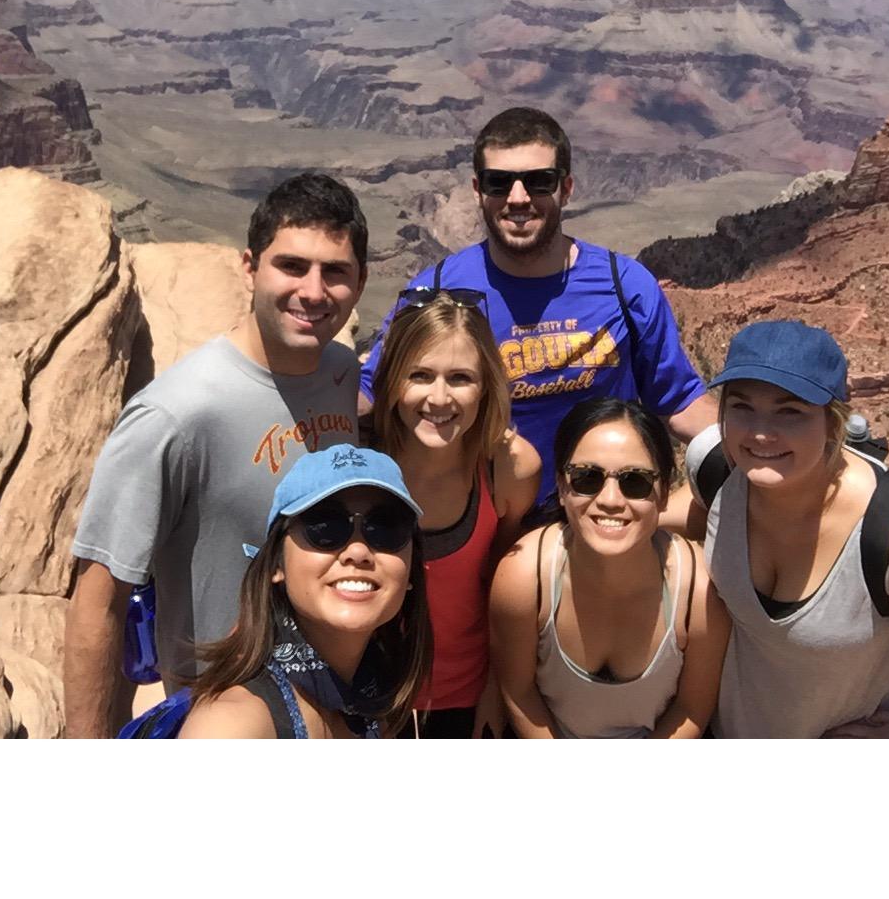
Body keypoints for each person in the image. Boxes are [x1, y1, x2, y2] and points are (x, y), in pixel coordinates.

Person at [64, 173, 368, 738]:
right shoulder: (175, 414)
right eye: (292, 266)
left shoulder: (341, 374)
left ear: (361, 282)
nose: (313, 291)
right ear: (250, 268)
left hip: (333, 699)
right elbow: (98, 598)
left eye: (336, 272)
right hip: (224, 715)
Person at [359, 106, 716, 503]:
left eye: (538, 182)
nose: (517, 198)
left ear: (566, 188)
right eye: (499, 183)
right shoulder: (438, 292)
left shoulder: (624, 286)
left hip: (593, 513)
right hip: (478, 520)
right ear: (478, 190)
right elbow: (373, 393)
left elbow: (679, 401)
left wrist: (760, 452)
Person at [688, 319, 889, 738]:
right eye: (741, 406)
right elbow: (697, 515)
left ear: (833, 422)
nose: (760, 433)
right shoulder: (716, 467)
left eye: (789, 412)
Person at [489, 398, 729, 738]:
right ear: (561, 487)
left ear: (663, 494)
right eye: (587, 478)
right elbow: (518, 692)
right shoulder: (525, 578)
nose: (611, 500)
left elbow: (691, 709)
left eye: (635, 481)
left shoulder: (699, 596)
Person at [368, 290, 540, 737]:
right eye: (420, 375)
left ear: (487, 385)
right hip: (368, 699)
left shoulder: (510, 467)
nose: (439, 398)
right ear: (391, 381)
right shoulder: (359, 461)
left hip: (469, 699)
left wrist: (494, 684)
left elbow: (502, 590)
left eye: (461, 377)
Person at [175, 445, 432, 738]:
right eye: (325, 527)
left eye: (386, 528)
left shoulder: (381, 702)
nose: (358, 551)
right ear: (276, 564)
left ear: (411, 570)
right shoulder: (232, 726)